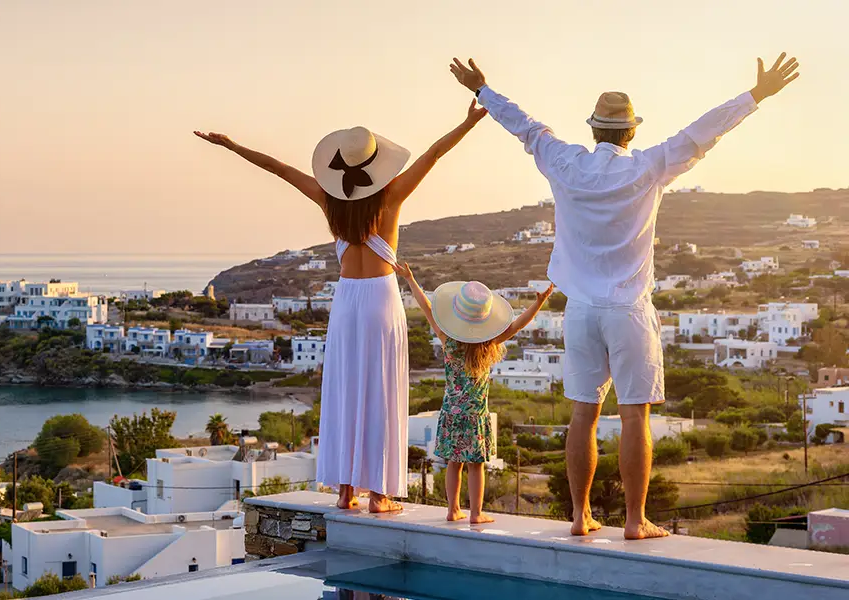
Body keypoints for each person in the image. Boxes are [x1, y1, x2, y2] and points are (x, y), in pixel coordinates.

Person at [449, 53, 800, 539]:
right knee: (635, 416)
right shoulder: (649, 167)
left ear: (594, 130)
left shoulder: (565, 162)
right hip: (629, 310)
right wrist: (755, 96)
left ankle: (579, 515)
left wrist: (482, 89)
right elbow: (702, 133)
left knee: (582, 413)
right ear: (630, 132)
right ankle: (635, 521)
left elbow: (526, 127)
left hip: (581, 310)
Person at [195, 100, 488, 512]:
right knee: (381, 391)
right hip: (382, 298)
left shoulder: (330, 201)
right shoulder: (393, 194)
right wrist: (468, 122)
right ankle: (381, 495)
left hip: (347, 299)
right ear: (376, 166)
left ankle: (346, 492)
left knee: (346, 391)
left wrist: (232, 146)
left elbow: (278, 168)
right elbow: (434, 153)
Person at [397, 263, 553, 523]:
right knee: (475, 465)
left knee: (453, 463)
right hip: (475, 416)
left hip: (451, 412)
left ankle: (452, 510)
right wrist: (538, 304)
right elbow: (516, 326)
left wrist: (411, 278)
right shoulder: (487, 345)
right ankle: (477, 513)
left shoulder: (448, 341)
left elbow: (427, 308)